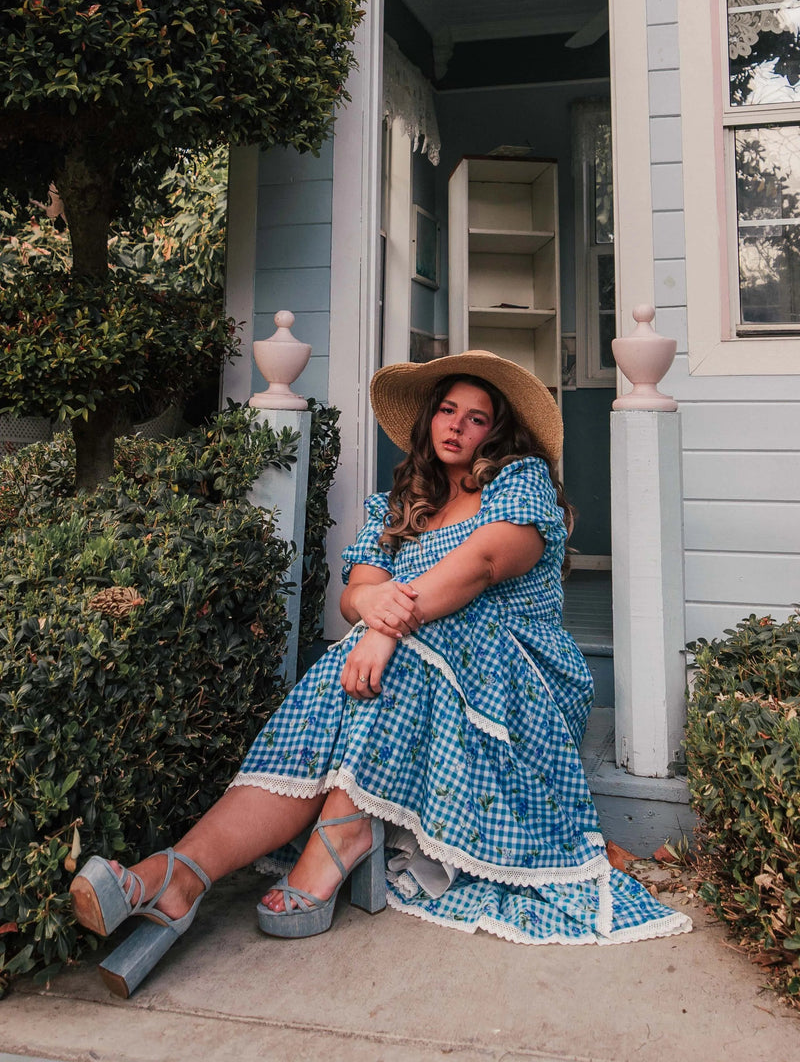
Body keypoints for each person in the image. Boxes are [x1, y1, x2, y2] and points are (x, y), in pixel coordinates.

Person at [70, 349, 691, 998]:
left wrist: (388, 624)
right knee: (354, 660)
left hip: (522, 684)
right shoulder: (400, 503)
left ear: (498, 432)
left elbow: (481, 566)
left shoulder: (520, 483)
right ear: (426, 420)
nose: (456, 426)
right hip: (414, 670)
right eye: (446, 410)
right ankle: (183, 872)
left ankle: (332, 842)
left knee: (421, 632)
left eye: (476, 418)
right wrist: (373, 611)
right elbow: (358, 592)